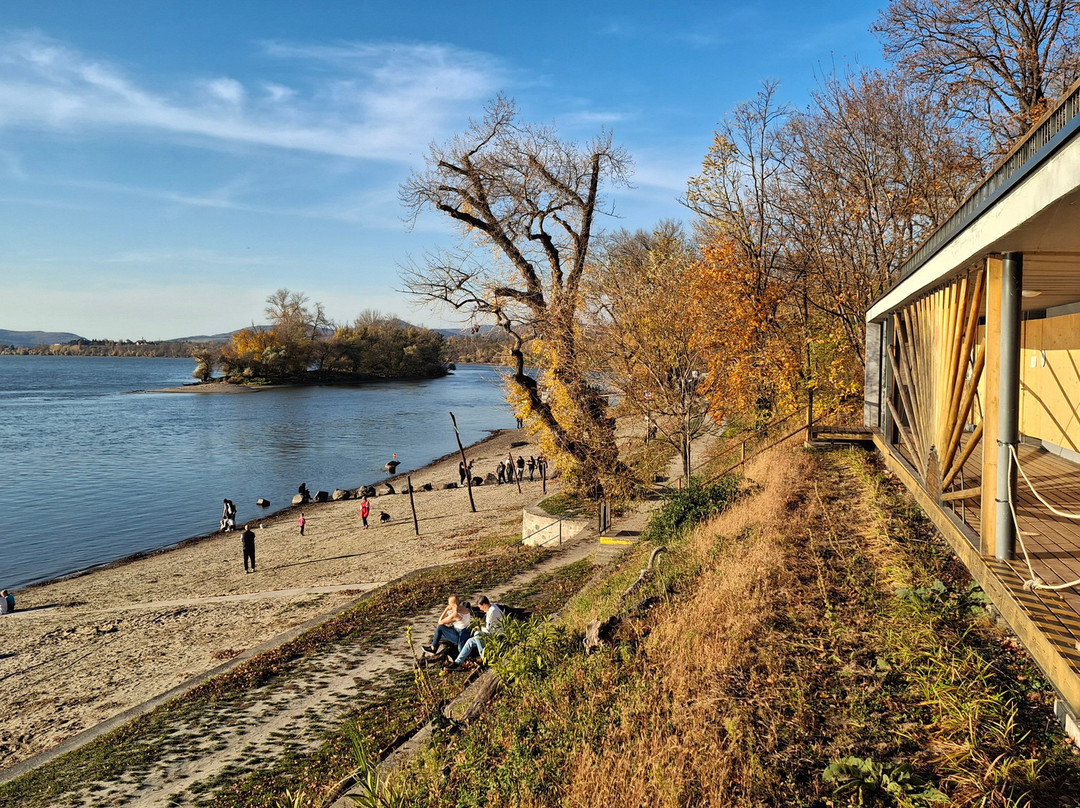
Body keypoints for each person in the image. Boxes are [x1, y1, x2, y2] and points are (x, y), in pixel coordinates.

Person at [447, 596, 503, 670]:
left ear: (485, 605)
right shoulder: (493, 606)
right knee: (470, 642)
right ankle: (457, 663)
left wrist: (479, 628)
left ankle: (484, 658)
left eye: (481, 607)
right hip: (493, 632)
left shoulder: (491, 612)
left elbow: (489, 629)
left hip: (496, 635)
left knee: (477, 634)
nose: (480, 609)